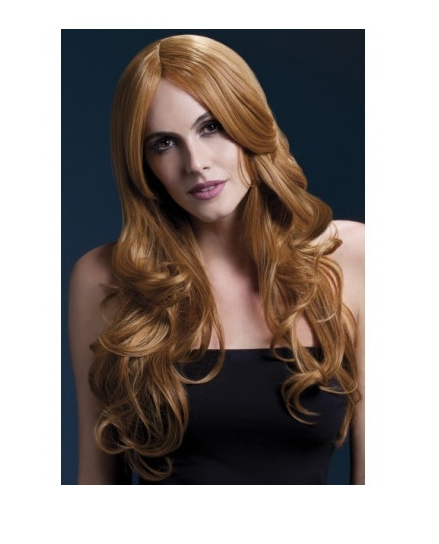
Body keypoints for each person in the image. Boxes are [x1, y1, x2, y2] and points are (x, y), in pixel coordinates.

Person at [68, 34, 365, 484]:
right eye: (163, 144)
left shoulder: (349, 259)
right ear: (142, 164)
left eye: (211, 127)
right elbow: (96, 479)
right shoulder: (105, 279)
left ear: (248, 121)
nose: (196, 163)